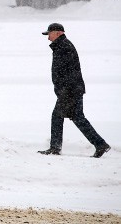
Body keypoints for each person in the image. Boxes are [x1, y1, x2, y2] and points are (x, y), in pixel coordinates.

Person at [38, 23, 110, 158]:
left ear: (59, 33)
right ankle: (100, 144)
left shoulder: (64, 47)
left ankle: (55, 147)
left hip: (70, 90)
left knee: (59, 116)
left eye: (49, 34)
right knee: (76, 117)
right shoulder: (61, 46)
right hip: (71, 89)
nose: (48, 37)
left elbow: (69, 72)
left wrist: (65, 90)